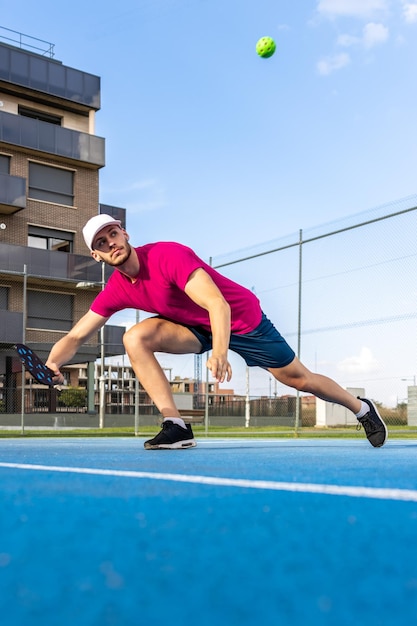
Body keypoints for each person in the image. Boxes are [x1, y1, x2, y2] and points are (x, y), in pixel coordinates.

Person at [46, 214, 388, 450]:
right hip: (197, 328)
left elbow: (218, 305)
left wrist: (220, 352)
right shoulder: (118, 289)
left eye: (113, 234)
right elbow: (76, 336)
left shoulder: (168, 255)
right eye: (102, 243)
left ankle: (360, 408)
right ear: (97, 255)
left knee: (299, 379)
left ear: (125, 233)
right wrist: (53, 364)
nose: (111, 243)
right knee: (135, 337)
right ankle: (175, 426)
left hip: (241, 319)